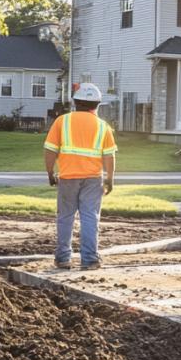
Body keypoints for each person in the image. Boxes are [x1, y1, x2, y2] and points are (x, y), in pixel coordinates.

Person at [43, 83, 117, 270]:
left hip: (68, 177)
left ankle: (63, 259)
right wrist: (109, 179)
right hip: (93, 179)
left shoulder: (62, 121)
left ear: (75, 102)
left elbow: (50, 151)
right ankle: (90, 260)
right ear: (97, 104)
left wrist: (50, 173)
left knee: (65, 217)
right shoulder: (103, 126)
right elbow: (109, 156)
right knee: (90, 217)